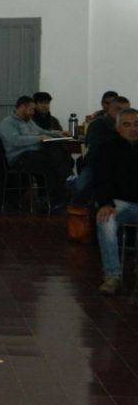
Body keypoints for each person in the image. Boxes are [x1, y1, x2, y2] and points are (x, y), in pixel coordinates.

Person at [0, 95, 72, 210]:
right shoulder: (8, 122)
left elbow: (42, 131)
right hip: (19, 158)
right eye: (31, 109)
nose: (33, 112)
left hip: (33, 154)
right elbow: (16, 140)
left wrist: (59, 133)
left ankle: (56, 196)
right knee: (49, 163)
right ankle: (54, 199)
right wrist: (38, 138)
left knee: (57, 157)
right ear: (22, 107)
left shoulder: (29, 121)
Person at [93, 108, 138, 295]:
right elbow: (101, 180)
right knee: (105, 220)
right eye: (127, 125)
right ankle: (112, 275)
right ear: (118, 128)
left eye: (136, 124)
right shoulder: (107, 148)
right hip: (119, 203)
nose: (133, 128)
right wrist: (105, 203)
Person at [73, 96, 131, 204]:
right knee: (81, 188)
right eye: (118, 109)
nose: (122, 113)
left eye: (126, 110)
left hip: (123, 164)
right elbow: (98, 149)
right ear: (109, 109)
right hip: (97, 164)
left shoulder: (130, 126)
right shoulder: (98, 124)